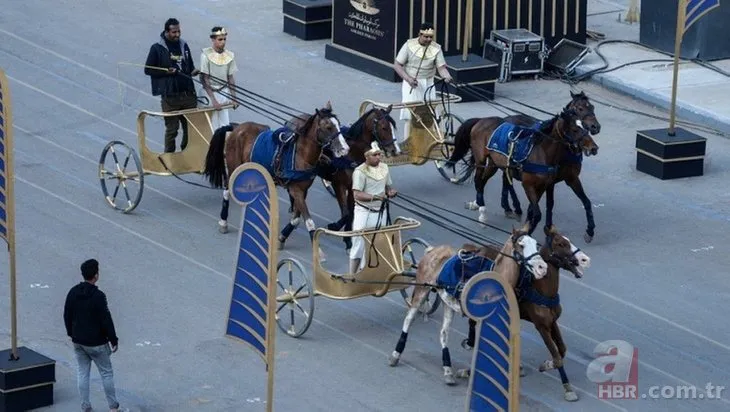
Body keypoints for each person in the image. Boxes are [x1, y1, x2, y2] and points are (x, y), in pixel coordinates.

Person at [64, 259, 126, 412]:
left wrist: (71, 334)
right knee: (106, 373)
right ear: (96, 275)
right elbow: (106, 319)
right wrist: (113, 340)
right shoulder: (98, 296)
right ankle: (113, 407)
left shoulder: (73, 292)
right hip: (97, 343)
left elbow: (67, 314)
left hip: (78, 341)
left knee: (83, 373)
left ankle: (85, 406)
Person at [144, 18, 200, 153]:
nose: (177, 35)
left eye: (179, 31)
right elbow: (148, 69)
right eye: (174, 32)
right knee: (172, 130)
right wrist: (166, 72)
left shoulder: (184, 45)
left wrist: (194, 71)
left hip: (188, 95)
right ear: (166, 31)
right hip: (170, 97)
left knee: (190, 128)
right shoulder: (157, 48)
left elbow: (189, 67)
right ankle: (169, 157)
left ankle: (187, 154)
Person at [393, 22, 453, 143]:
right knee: (411, 114)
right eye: (426, 37)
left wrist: (447, 76)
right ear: (419, 34)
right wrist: (409, 79)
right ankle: (407, 142)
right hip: (412, 84)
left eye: (431, 37)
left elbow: (441, 67)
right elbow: (397, 65)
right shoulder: (409, 45)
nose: (428, 39)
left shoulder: (436, 48)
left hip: (429, 83)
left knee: (430, 112)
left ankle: (429, 140)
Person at [348, 142, 398, 276]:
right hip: (364, 212)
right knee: (358, 244)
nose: (378, 157)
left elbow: (387, 187)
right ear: (367, 157)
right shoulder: (359, 172)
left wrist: (391, 192)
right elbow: (357, 195)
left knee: (378, 244)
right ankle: (352, 275)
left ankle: (368, 273)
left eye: (379, 154)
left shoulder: (384, 168)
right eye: (375, 155)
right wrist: (375, 197)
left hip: (380, 211)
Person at [200, 26, 239, 132]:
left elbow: (230, 78)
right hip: (209, 94)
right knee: (210, 127)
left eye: (224, 39)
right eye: (220, 39)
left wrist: (234, 98)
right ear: (213, 40)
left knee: (224, 126)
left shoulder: (230, 56)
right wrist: (214, 101)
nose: (223, 42)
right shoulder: (205, 56)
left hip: (223, 92)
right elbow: (205, 79)